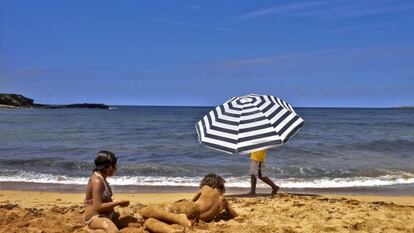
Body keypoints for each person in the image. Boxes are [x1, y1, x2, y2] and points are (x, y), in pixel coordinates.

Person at [140, 173, 237, 233]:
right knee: (149, 220)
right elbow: (234, 215)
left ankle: (178, 218)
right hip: (196, 217)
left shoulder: (206, 188)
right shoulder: (224, 201)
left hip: (192, 208)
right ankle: (173, 226)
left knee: (146, 211)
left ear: (207, 182)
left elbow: (192, 201)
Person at [84, 150, 130, 233]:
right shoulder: (97, 181)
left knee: (134, 223)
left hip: (108, 215)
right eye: (113, 166)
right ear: (106, 166)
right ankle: (89, 229)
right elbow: (98, 207)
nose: (115, 168)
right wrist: (118, 203)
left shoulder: (102, 178)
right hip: (96, 217)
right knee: (113, 230)